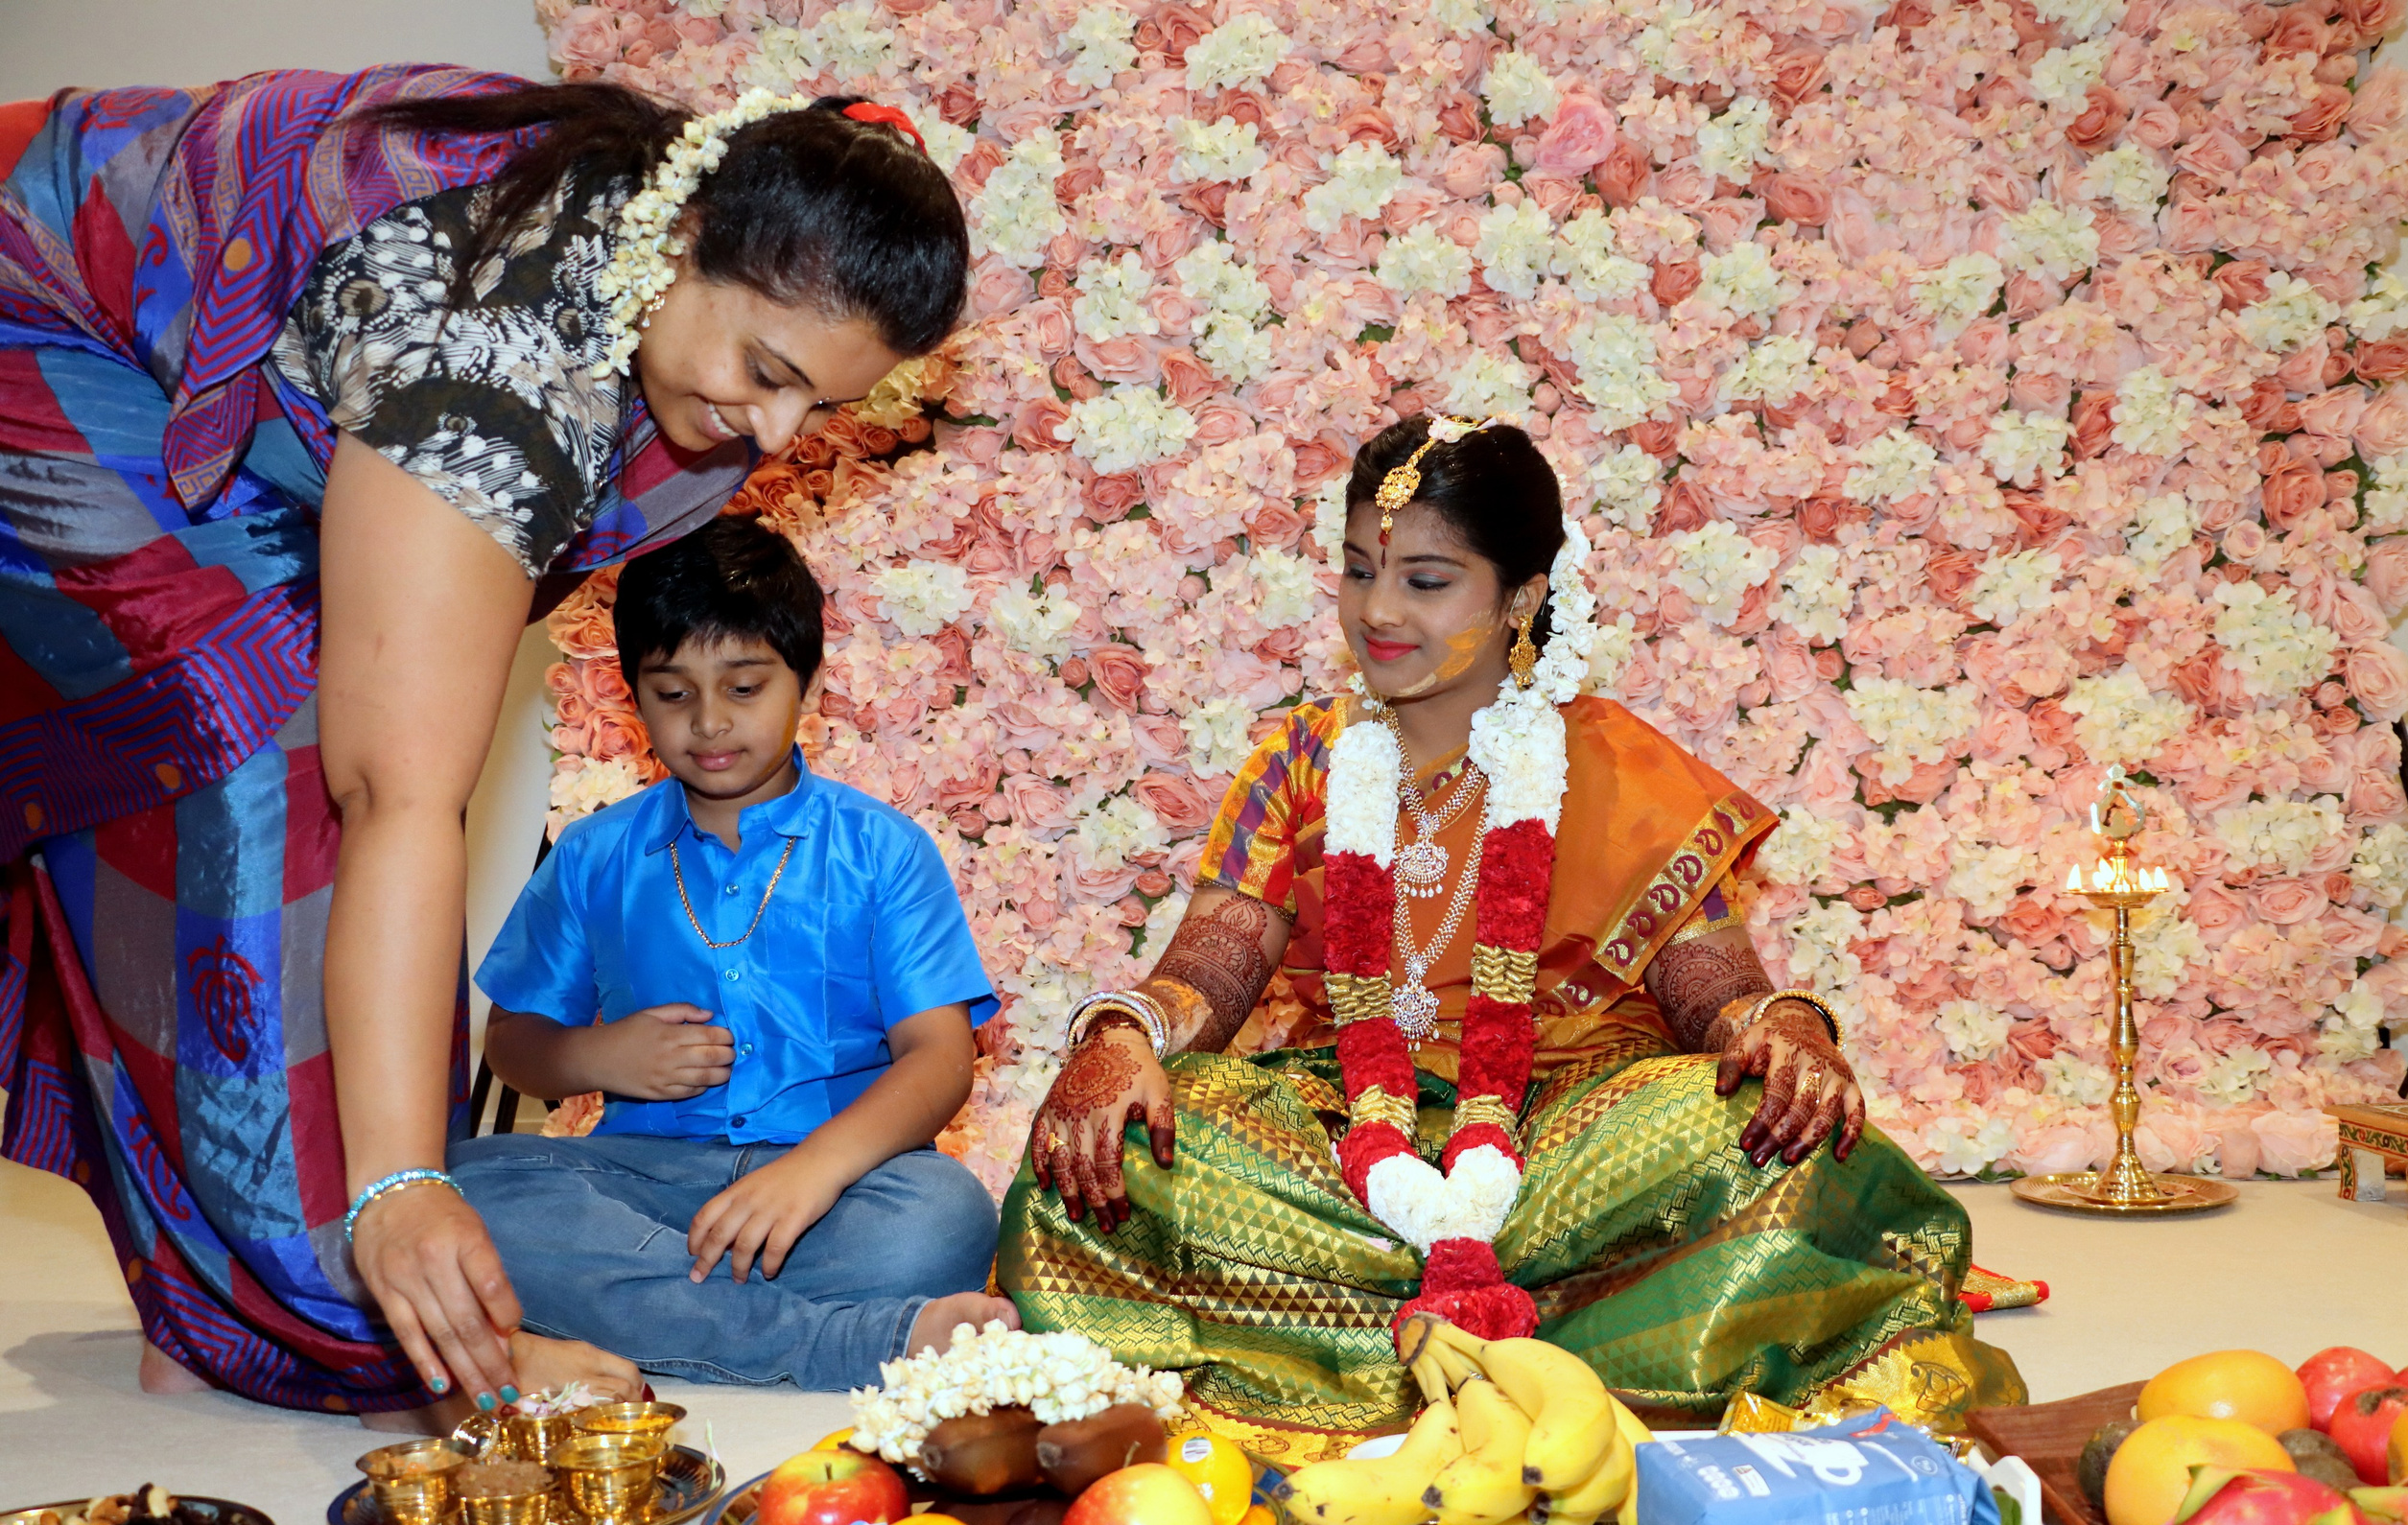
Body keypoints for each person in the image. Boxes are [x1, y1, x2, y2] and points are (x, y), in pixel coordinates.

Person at [0, 68, 969, 1418]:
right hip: (38, 323)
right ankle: (363, 1306)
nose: (775, 434)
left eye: (820, 406)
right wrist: (401, 1185)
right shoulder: (494, 377)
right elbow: (397, 792)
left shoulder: (639, 265)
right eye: (765, 372)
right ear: (680, 242)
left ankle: (240, 1298)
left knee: (926, 1214)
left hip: (176, 372)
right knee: (249, 740)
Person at [1000, 415, 2021, 1442]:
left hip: (1579, 1139)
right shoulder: (1304, 755)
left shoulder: (1611, 760)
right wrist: (1120, 1034)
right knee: (1100, 1167)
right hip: (1342, 1132)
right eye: (1359, 572)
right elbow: (1214, 966)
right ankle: (1578, 1332)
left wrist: (1786, 1029)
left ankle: (1348, 1335)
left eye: (1427, 581)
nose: (1378, 612)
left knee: (1769, 1141)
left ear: (1522, 596)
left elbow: (1714, 995)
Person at [449, 518, 1009, 1389]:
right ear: (634, 694)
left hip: (833, 1196)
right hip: (644, 1182)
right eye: (673, 695)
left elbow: (940, 1059)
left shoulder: (882, 849)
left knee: (943, 1218)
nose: (709, 723)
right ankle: (840, 1341)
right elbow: (513, 1042)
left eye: (744, 687)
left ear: (806, 684)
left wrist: (810, 1174)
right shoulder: (596, 852)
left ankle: (644, 1306)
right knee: (456, 1180)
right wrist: (600, 1053)